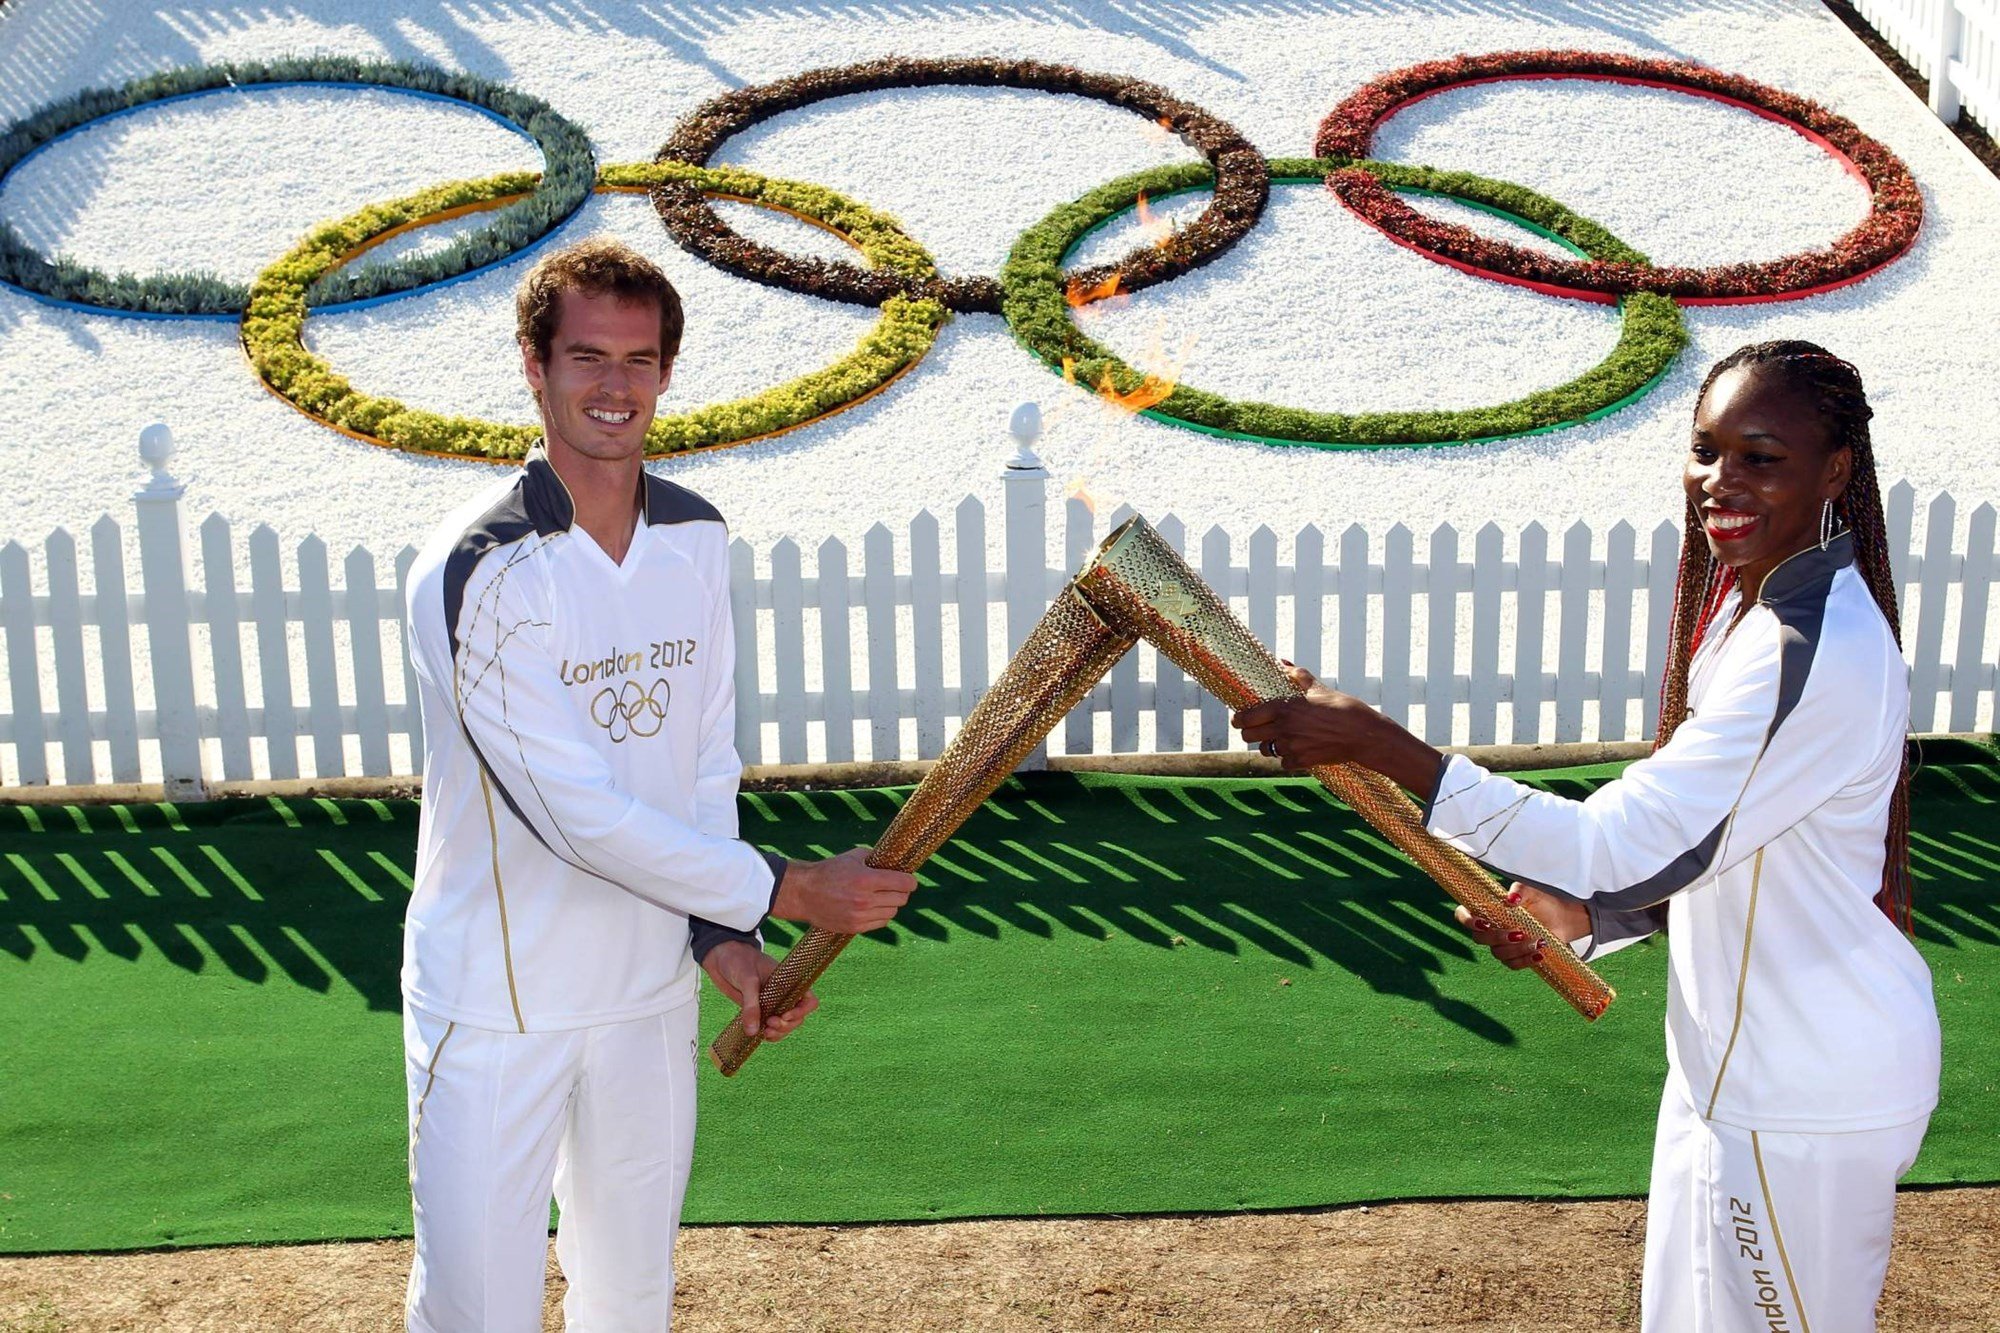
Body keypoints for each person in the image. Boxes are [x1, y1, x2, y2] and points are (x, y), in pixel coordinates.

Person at [1233, 341, 1940, 1333]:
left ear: (1832, 472)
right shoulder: (1747, 608)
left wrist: (1380, 744)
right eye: (1704, 450)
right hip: (1729, 1078)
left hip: (1802, 1101)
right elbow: (1707, 847)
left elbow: (1622, 837)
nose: (1719, 480)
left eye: (1758, 456)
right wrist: (1577, 915)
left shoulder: (1808, 647)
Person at [400, 236, 916, 1331]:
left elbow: (697, 764)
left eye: (638, 360)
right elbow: (573, 813)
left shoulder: (694, 537)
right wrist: (780, 887)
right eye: (586, 357)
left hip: (644, 997)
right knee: (475, 1313)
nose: (613, 387)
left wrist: (712, 941)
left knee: (630, 1300)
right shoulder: (476, 567)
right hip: (499, 1000)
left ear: (667, 374)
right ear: (533, 369)